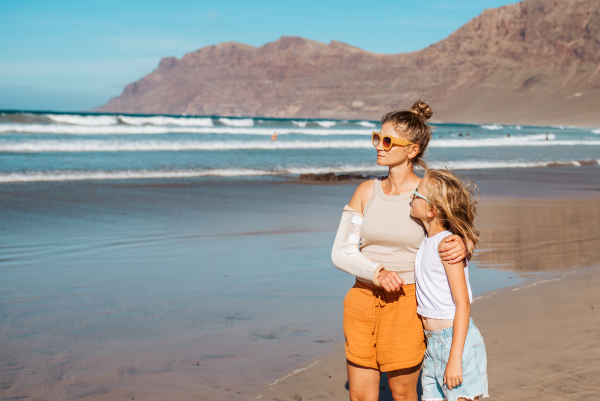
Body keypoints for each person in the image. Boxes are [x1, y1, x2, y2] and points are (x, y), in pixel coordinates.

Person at [331, 100, 473, 401]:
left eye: (387, 141)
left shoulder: (428, 195)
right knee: (360, 396)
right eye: (376, 138)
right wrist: (376, 273)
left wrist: (465, 243)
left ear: (412, 150)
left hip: (407, 304)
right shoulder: (365, 191)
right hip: (361, 301)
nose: (378, 146)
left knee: (403, 394)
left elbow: (459, 231)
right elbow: (341, 251)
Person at [410, 169, 489, 401]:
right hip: (433, 344)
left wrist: (454, 358)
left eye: (417, 193)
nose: (412, 195)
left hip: (456, 341)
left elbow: (463, 304)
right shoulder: (427, 240)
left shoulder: (446, 245)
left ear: (432, 210)